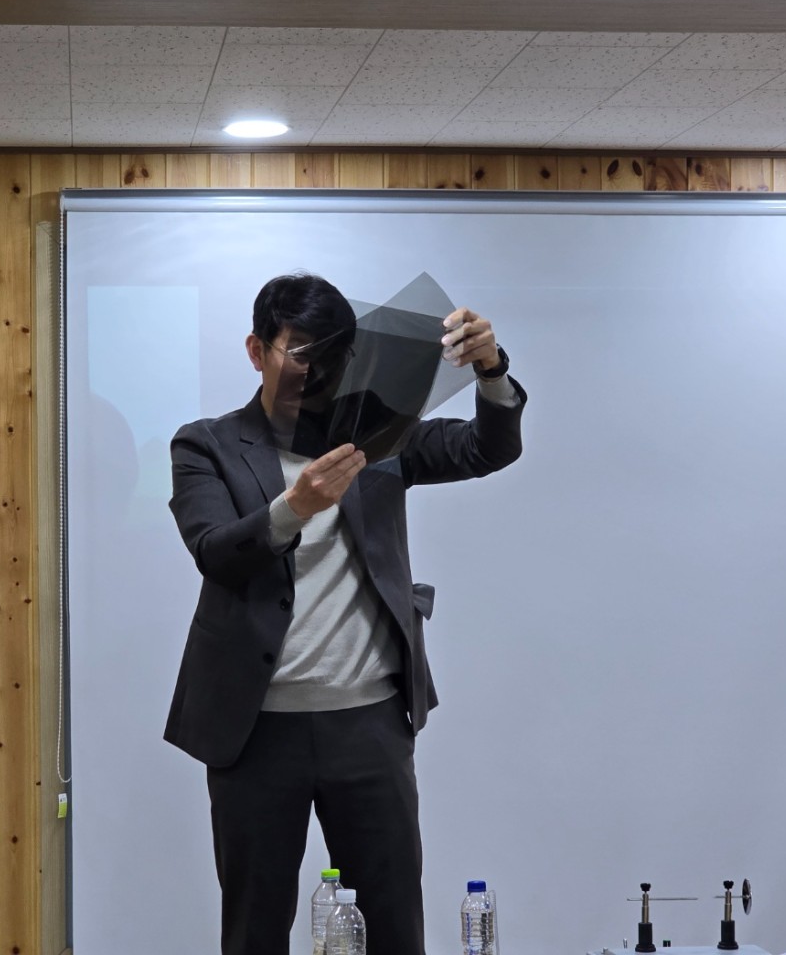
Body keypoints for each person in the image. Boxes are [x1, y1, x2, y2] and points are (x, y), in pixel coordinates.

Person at [165, 273, 526, 955]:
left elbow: (488, 448)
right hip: (254, 729)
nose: (315, 370)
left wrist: (490, 369)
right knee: (255, 928)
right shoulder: (207, 444)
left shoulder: (377, 434)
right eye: (298, 351)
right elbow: (215, 551)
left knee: (394, 924)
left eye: (331, 354)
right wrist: (294, 506)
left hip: (369, 724)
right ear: (256, 350)